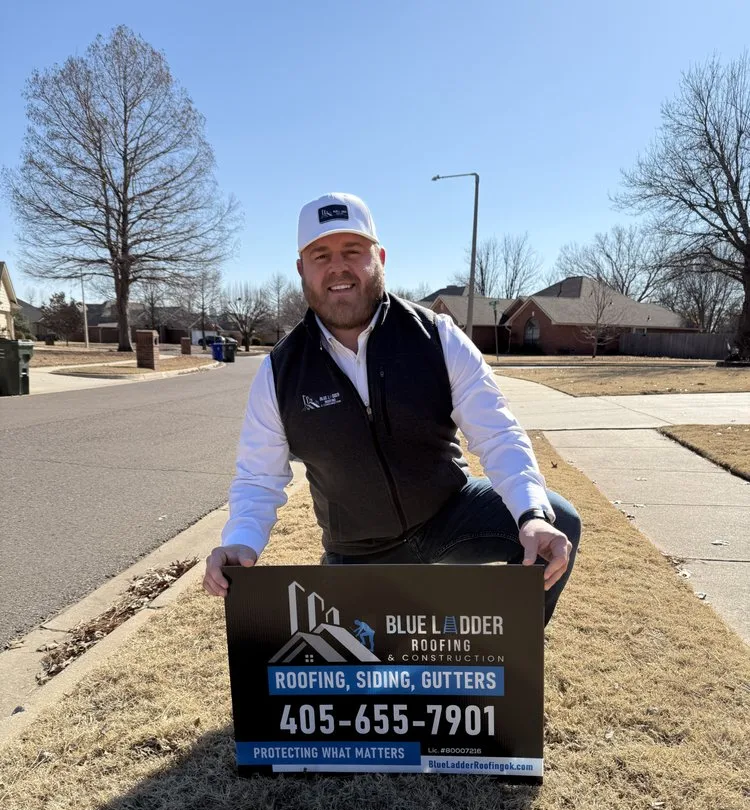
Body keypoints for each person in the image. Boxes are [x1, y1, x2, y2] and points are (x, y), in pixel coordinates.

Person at [203, 193, 581, 625]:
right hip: (358, 550)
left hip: (450, 517)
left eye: (353, 251)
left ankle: (505, 654)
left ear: (379, 257)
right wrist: (239, 542)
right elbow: (258, 477)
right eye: (320, 254)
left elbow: (498, 434)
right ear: (301, 269)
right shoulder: (279, 371)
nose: (337, 267)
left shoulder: (437, 337)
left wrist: (531, 515)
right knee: (371, 667)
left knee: (558, 521)